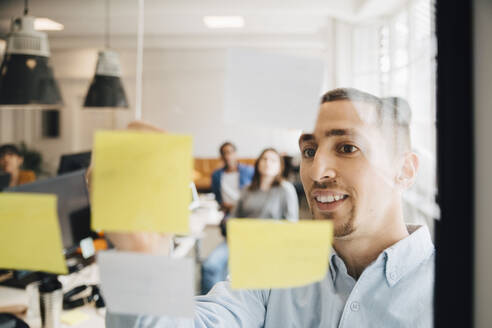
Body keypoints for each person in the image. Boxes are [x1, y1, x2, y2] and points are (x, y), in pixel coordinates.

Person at [106, 88, 434, 327]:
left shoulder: (461, 290)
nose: (317, 172)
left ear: (404, 170)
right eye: (309, 151)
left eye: (347, 148)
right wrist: (142, 255)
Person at [201, 148, 299, 294]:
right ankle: (213, 308)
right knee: (210, 266)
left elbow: (292, 224)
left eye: (273, 160)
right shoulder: (247, 189)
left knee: (242, 279)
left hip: (269, 243)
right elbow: (234, 216)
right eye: (264, 159)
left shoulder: (286, 189)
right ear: (258, 163)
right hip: (240, 239)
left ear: (280, 166)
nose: (267, 163)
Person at [211, 142, 254, 214]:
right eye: (223, 153)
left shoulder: (249, 171)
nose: (227, 156)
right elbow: (218, 198)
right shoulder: (216, 175)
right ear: (221, 156)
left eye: (229, 152)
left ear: (235, 154)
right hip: (227, 212)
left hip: (245, 210)